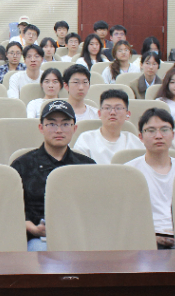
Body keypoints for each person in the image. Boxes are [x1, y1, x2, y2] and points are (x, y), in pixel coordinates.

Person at [11, 100, 95, 251]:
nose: (59, 130)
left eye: (65, 124)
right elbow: (11, 209)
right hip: (39, 239)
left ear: (74, 128)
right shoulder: (22, 165)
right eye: (51, 124)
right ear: (41, 128)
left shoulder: (87, 166)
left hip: (81, 237)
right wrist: (32, 228)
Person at [126, 108, 175, 249]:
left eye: (165, 130)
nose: (159, 136)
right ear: (140, 136)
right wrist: (150, 236)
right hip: (144, 242)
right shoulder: (129, 172)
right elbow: (125, 218)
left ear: (173, 134)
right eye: (151, 130)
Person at [73, 89, 143, 164]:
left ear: (127, 114)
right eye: (107, 108)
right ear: (99, 113)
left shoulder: (134, 141)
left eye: (118, 108)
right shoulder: (86, 139)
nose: (112, 112)